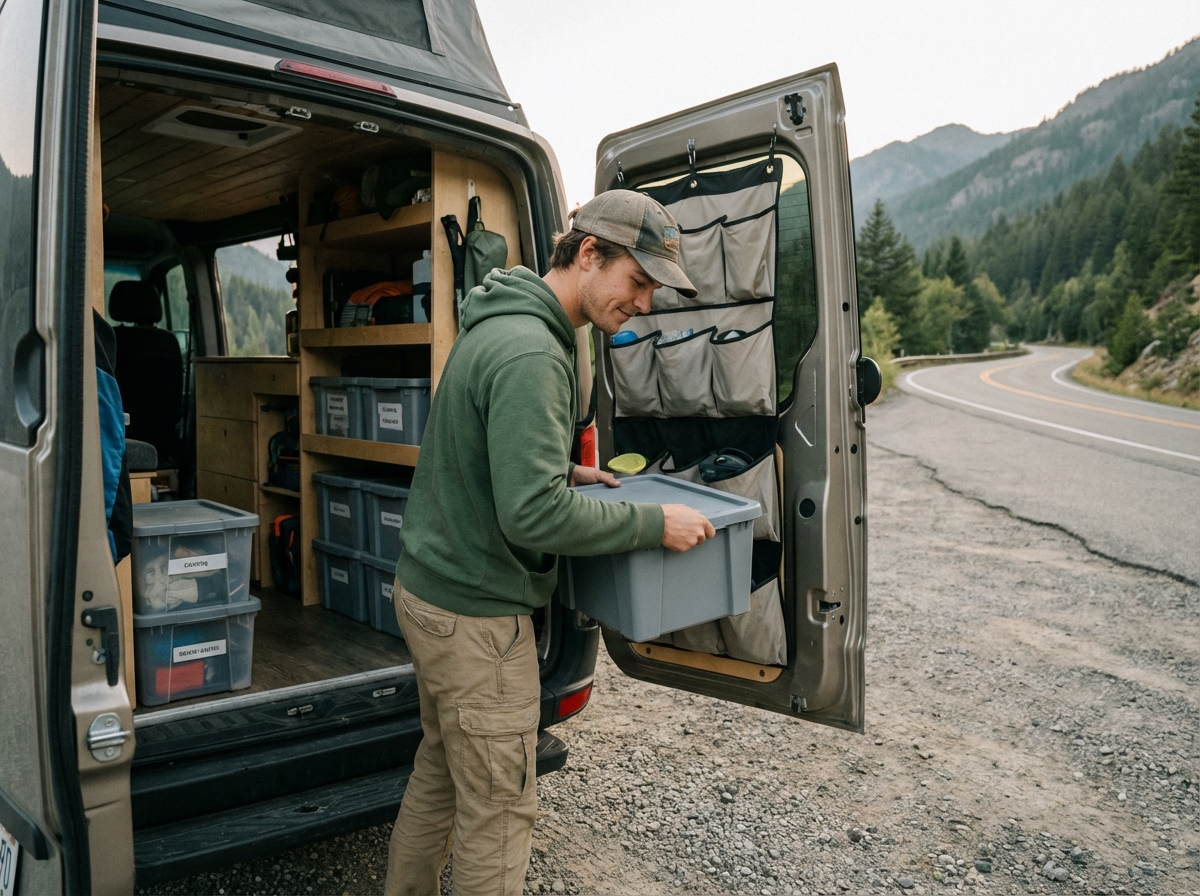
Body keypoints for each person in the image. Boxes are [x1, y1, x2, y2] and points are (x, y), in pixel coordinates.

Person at [385, 190, 715, 895]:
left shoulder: (509, 321)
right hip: (474, 621)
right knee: (499, 813)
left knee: (440, 775)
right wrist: (657, 525)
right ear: (589, 253)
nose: (646, 304)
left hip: (428, 593)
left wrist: (563, 469)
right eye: (639, 281)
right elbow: (532, 518)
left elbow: (484, 443)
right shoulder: (535, 348)